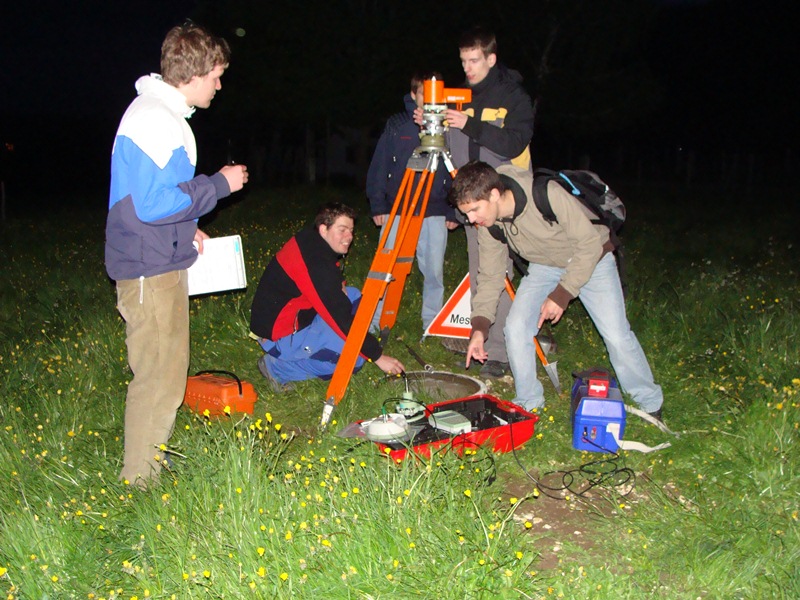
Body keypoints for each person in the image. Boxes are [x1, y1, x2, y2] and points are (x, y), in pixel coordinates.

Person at [105, 23, 249, 489]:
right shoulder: (156, 120)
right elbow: (151, 204)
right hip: (149, 269)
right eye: (217, 76)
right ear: (195, 73)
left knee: (166, 371)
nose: (219, 86)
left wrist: (188, 227)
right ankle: (139, 480)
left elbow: (151, 199)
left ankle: (146, 466)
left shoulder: (159, 113)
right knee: (158, 377)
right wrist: (218, 185)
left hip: (156, 257)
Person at [451, 161, 663, 418]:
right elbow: (491, 276)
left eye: (474, 210)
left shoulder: (545, 193)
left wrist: (562, 294)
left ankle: (649, 400)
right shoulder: (489, 224)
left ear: (494, 194)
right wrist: (480, 326)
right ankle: (528, 401)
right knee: (516, 328)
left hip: (591, 258)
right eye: (466, 214)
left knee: (616, 334)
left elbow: (589, 244)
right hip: (545, 265)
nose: (471, 219)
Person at [426, 26, 535, 378]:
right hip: (472, 203)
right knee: (483, 274)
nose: (467, 68)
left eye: (474, 60)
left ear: (491, 58)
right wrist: (431, 125)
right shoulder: (459, 96)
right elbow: (449, 151)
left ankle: (504, 350)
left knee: (505, 273)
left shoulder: (513, 95)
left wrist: (469, 123)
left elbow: (515, 142)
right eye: (463, 61)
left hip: (505, 200)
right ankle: (488, 345)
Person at [250, 203, 405, 387]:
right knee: (354, 359)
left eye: (351, 230)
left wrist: (338, 286)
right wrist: (377, 356)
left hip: (292, 314)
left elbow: (330, 280)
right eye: (342, 230)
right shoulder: (316, 264)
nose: (349, 236)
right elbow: (339, 316)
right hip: (280, 333)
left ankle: (330, 340)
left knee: (353, 295)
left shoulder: (312, 239)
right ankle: (277, 368)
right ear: (324, 229)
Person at [367, 72, 460, 334]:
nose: (429, 100)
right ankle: (373, 320)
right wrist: (378, 204)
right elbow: (380, 165)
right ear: (413, 95)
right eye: (424, 94)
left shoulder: (449, 127)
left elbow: (455, 168)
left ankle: (431, 322)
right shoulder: (397, 124)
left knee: (433, 271)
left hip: (434, 210)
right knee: (385, 266)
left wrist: (453, 211)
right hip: (397, 208)